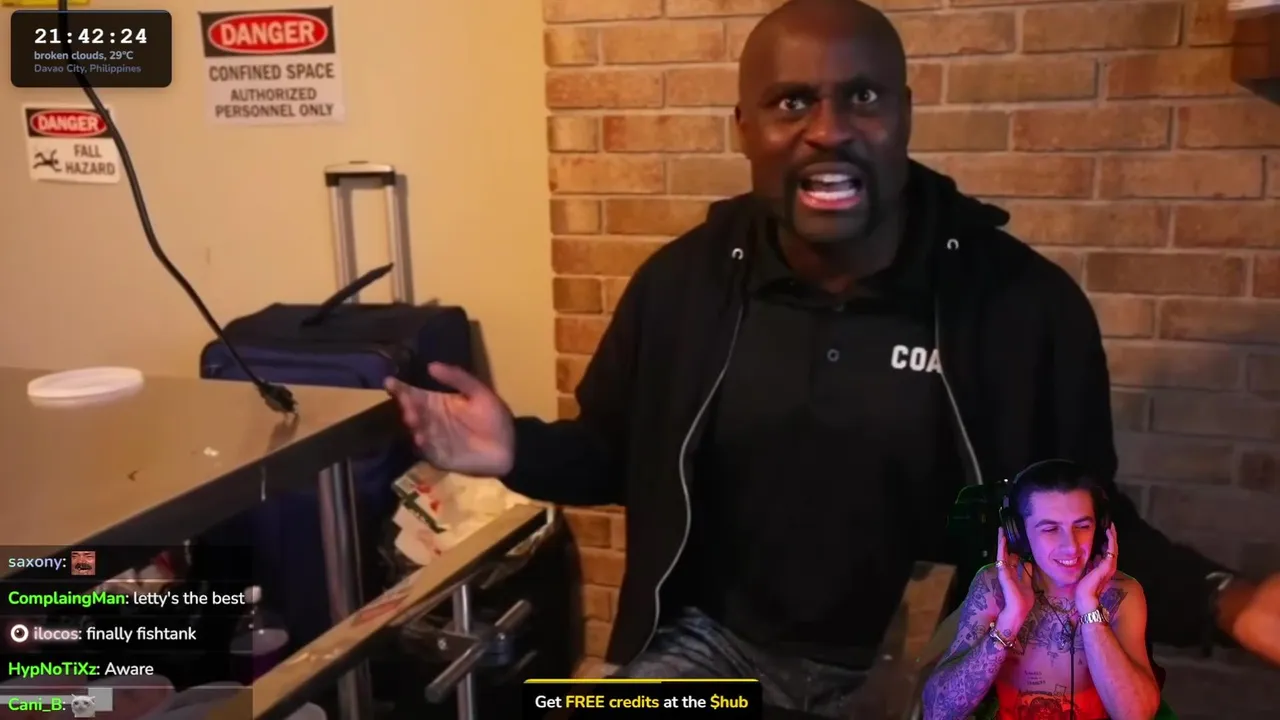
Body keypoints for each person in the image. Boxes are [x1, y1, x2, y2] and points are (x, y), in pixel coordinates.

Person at [384, 0, 1280, 714]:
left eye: (863, 98)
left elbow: (1084, 522)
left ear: (904, 116)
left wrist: (1225, 598)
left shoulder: (1022, 307)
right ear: (743, 126)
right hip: (714, 657)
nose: (828, 129)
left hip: (946, 662)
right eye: (791, 103)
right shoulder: (684, 285)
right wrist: (517, 449)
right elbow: (616, 453)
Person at [921, 461, 1161, 720]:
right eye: (1050, 529)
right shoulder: (995, 587)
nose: (1071, 547)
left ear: (1100, 527)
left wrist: (1089, 608)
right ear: (1019, 533)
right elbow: (937, 711)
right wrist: (1009, 620)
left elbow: (1136, 715)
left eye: (1082, 526)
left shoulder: (1121, 595)